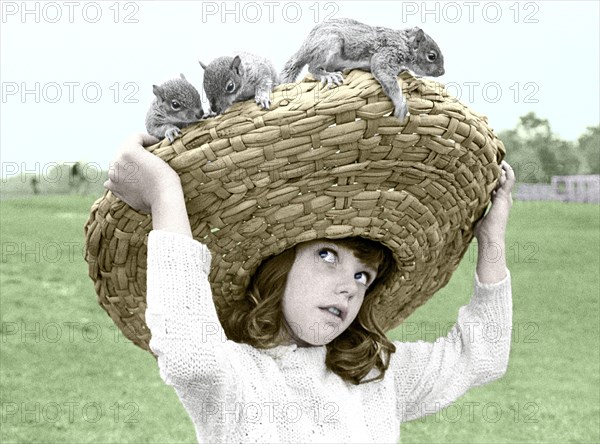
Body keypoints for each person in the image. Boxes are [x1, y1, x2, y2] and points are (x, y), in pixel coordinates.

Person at [104, 134, 515, 443]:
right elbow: (189, 356)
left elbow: (482, 355)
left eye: (362, 277)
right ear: (279, 267)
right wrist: (164, 192)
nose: (348, 288)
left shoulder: (376, 375)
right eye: (327, 256)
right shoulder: (236, 376)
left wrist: (492, 238)